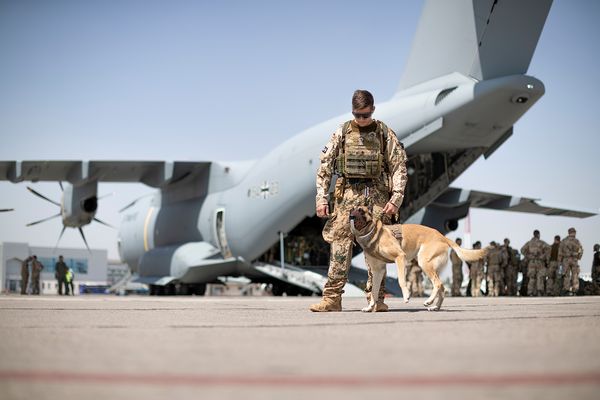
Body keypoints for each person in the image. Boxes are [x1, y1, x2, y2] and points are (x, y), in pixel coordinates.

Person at [310, 89, 408, 312]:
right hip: (347, 196)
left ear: (373, 109)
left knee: (378, 248)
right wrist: (321, 198)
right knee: (340, 244)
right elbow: (325, 166)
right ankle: (332, 299)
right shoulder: (343, 131)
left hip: (376, 195)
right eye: (357, 115)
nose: (361, 120)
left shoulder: (384, 132)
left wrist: (396, 199)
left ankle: (376, 299)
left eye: (365, 115)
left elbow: (398, 166)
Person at [560, 228, 583, 295]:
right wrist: (578, 257)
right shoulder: (577, 241)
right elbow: (581, 251)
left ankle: (566, 290)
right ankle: (575, 290)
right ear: (574, 232)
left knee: (566, 275)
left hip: (566, 260)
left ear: (568, 232)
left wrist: (560, 261)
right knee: (575, 275)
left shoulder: (564, 241)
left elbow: (560, 252)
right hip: (574, 260)